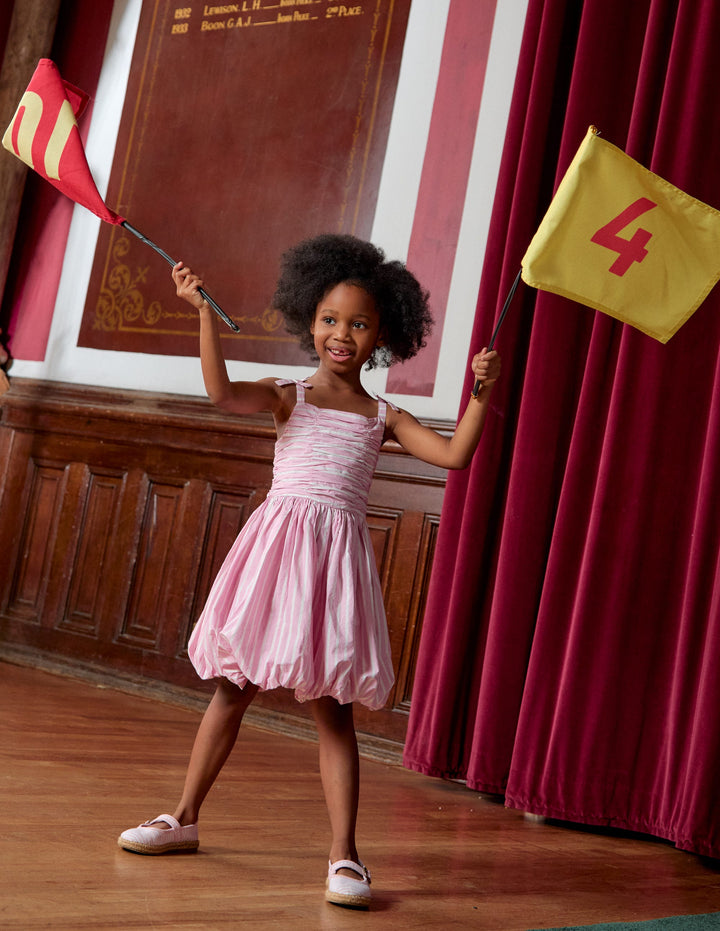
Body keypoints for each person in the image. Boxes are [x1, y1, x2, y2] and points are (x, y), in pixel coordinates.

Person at [117, 233, 501, 909]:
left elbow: (454, 457)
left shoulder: (384, 416)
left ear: (384, 333)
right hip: (273, 564)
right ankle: (182, 816)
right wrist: (204, 312)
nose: (341, 334)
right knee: (232, 688)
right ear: (308, 320)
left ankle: (344, 853)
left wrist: (480, 395)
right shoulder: (286, 396)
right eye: (329, 319)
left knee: (333, 713)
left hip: (332, 576)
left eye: (358, 323)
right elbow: (219, 392)